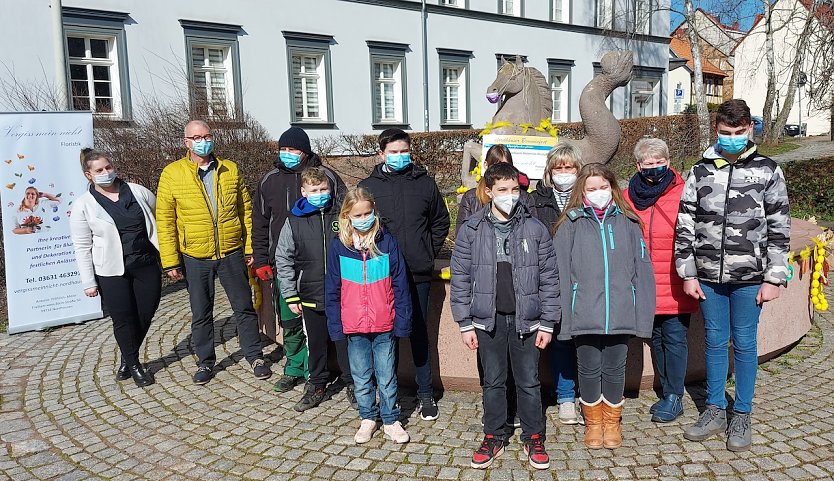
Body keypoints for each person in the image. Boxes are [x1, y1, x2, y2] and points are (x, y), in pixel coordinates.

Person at [676, 99, 790, 452]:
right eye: (726, 133)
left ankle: (741, 412)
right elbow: (685, 224)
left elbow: (779, 227)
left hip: (750, 277)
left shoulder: (768, 170)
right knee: (713, 342)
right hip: (709, 275)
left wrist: (774, 277)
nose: (732, 139)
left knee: (744, 344)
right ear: (716, 131)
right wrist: (687, 272)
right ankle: (714, 409)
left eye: (739, 133)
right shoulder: (700, 171)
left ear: (750, 130)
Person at [451, 163, 559, 470]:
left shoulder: (535, 228)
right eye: (502, 190)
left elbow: (550, 278)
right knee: (493, 382)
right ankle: (493, 435)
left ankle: (533, 435)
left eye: (515, 190)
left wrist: (548, 322)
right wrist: (464, 323)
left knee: (529, 381)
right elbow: (460, 278)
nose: (510, 196)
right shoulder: (471, 230)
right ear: (488, 191)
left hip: (528, 321)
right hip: (488, 320)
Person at [156, 120, 271, 385]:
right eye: (196, 137)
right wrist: (171, 260)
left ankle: (254, 355)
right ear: (186, 142)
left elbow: (246, 211)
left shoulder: (229, 169)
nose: (202, 141)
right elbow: (165, 220)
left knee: (243, 307)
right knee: (201, 312)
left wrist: (251, 247)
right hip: (195, 255)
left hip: (231, 251)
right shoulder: (172, 173)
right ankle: (205, 362)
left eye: (206, 136)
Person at [553, 163, 656, 450]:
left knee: (615, 368)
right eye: (591, 188)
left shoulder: (628, 222)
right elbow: (560, 273)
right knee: (587, 368)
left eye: (603, 187)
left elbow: (642, 270)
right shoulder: (569, 224)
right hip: (583, 310)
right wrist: (563, 317)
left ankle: (612, 423)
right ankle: (593, 424)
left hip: (621, 309)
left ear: (612, 188)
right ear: (581, 192)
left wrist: (642, 316)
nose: (598, 193)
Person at [358, 128, 450, 421]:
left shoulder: (424, 184)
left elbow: (440, 221)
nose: (400, 157)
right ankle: (390, 394)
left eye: (404, 151)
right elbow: (356, 223)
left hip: (417, 271)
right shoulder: (368, 186)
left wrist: (427, 252)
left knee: (420, 333)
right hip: (380, 274)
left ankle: (426, 393)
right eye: (393, 152)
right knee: (386, 336)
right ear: (381, 153)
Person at [252, 126, 347, 395]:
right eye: (283, 149)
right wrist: (261, 258)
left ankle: (320, 371)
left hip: (323, 264)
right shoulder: (269, 179)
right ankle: (294, 368)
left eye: (292, 149)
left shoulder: (326, 177)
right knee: (291, 321)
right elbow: (259, 222)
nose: (287, 154)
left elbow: (346, 211)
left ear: (304, 152)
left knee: (328, 325)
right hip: (286, 264)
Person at [325, 187, 412, 444]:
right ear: (347, 216)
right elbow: (332, 288)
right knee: (361, 375)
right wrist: (336, 325)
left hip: (384, 321)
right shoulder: (338, 247)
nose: (364, 218)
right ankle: (367, 417)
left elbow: (400, 284)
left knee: (386, 374)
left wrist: (402, 320)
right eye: (358, 214)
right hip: (353, 324)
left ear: (374, 211)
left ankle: (390, 418)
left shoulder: (387, 242)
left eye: (368, 213)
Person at [70, 149, 161, 387]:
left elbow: (158, 217)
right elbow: (81, 246)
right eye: (99, 170)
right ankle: (134, 365)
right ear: (88, 174)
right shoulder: (83, 205)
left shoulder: (138, 192)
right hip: (111, 270)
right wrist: (88, 282)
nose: (106, 172)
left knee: (145, 314)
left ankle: (126, 355)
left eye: (108, 167)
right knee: (123, 318)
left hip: (146, 263)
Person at [624, 138, 700, 423]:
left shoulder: (684, 192)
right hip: (644, 280)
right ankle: (667, 391)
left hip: (675, 278)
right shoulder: (627, 195)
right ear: (638, 165)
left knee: (675, 338)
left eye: (660, 162)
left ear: (668, 162)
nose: (654, 168)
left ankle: (674, 395)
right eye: (648, 163)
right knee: (655, 337)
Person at [274, 166, 354, 412]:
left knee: (346, 343)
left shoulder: (341, 216)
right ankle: (317, 384)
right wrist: (290, 294)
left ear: (330, 189)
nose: (319, 193)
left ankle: (353, 384)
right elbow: (283, 258)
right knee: (317, 344)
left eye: (323, 189)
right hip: (309, 295)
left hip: (341, 294)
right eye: (314, 190)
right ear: (304, 191)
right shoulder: (294, 220)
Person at [530, 143, 583, 425]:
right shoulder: (535, 200)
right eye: (558, 168)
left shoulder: (588, 196)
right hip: (551, 280)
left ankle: (588, 396)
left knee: (586, 341)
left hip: (585, 279)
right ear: (549, 171)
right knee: (561, 340)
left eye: (569, 167)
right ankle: (565, 397)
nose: (564, 172)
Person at [456, 144, 530, 234]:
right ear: (486, 165)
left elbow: (533, 233)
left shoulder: (525, 198)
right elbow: (462, 236)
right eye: (496, 166)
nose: (500, 172)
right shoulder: (471, 198)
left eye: (505, 167)